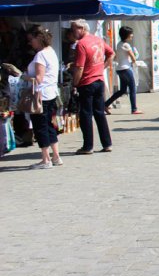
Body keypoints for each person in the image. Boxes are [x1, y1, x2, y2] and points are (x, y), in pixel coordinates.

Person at [69, 19, 115, 154]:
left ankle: (88, 146)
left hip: (87, 82)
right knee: (99, 113)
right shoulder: (98, 40)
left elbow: (79, 67)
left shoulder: (81, 44)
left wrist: (75, 84)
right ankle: (107, 143)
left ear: (82, 29)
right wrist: (102, 68)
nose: (73, 32)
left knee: (86, 114)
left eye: (74, 29)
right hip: (99, 81)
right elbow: (111, 53)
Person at [24, 25, 62, 169]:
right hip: (50, 93)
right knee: (49, 125)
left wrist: (22, 76)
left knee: (40, 127)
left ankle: (46, 159)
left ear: (39, 39)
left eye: (32, 39)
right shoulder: (51, 51)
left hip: (41, 95)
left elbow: (38, 79)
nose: (30, 43)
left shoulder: (40, 55)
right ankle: (56, 156)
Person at [104, 26, 142, 115]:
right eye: (131, 34)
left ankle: (105, 104)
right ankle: (134, 109)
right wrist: (135, 62)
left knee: (122, 90)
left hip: (120, 69)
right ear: (127, 35)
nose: (132, 35)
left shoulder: (119, 44)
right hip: (126, 68)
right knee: (132, 88)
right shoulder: (126, 45)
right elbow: (133, 57)